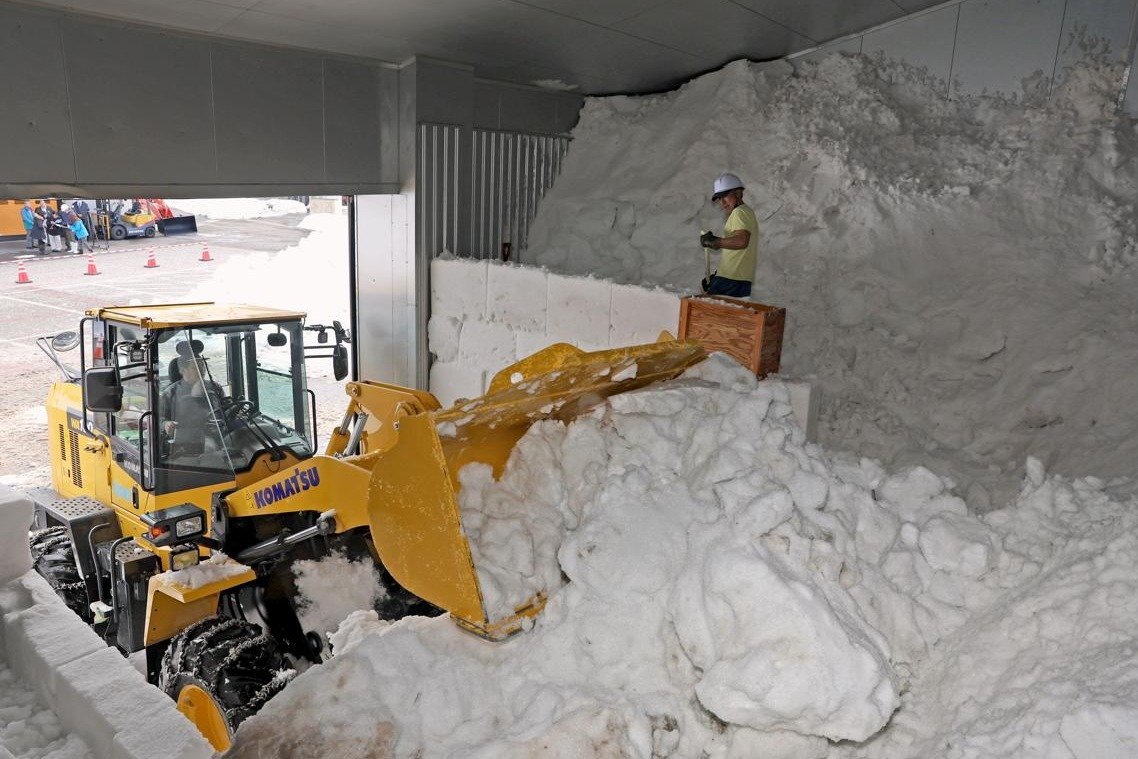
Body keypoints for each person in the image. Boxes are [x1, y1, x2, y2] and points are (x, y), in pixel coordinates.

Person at [698, 172, 759, 298]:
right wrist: (718, 274)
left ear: (737, 193)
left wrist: (716, 242)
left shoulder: (739, 212)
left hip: (731, 279)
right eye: (720, 199)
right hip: (735, 278)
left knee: (707, 315)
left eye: (725, 196)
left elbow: (742, 241)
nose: (723, 202)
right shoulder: (746, 212)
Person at [161, 347, 225, 459]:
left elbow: (225, 408)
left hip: (218, 433)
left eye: (202, 365)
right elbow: (159, 419)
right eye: (195, 367)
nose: (202, 369)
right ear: (182, 370)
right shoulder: (170, 393)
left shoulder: (215, 387)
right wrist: (166, 424)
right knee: (211, 450)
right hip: (187, 438)